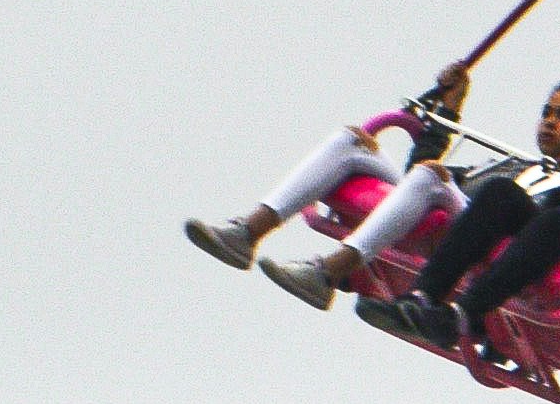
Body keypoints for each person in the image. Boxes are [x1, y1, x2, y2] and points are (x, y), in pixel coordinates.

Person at [187, 70, 473, 308]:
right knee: (354, 141)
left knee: (432, 176)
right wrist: (448, 109)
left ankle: (326, 273)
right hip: (445, 198)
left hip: (481, 226)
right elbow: (418, 176)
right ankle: (246, 233)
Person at [389, 78, 560, 343]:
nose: (551, 122)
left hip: (545, 258)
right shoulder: (505, 169)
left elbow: (556, 233)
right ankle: (421, 297)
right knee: (498, 190)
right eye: (547, 113)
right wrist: (447, 111)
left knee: (521, 203)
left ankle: (462, 314)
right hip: (493, 215)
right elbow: (421, 183)